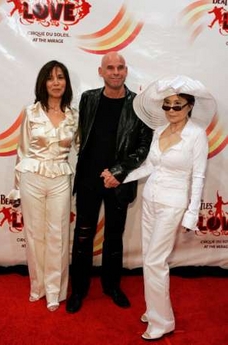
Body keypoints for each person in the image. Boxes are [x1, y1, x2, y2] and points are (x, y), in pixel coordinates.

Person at [123, 75, 217, 340]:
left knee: (155, 260)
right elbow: (150, 166)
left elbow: (198, 176)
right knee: (149, 259)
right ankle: (154, 308)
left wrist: (191, 214)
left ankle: (162, 321)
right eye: (167, 105)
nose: (171, 111)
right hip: (151, 198)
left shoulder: (196, 135)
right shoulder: (159, 131)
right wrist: (120, 177)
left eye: (177, 105)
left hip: (173, 204)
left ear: (189, 106)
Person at [66, 51, 153, 313]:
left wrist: (118, 172)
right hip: (88, 180)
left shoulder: (139, 105)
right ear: (100, 71)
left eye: (120, 67)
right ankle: (78, 289)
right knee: (82, 237)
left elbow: (143, 147)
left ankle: (112, 286)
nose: (116, 72)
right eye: (110, 67)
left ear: (126, 71)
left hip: (119, 182)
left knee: (114, 238)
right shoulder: (88, 98)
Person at [8, 60, 78, 311]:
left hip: (60, 176)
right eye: (51, 78)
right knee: (35, 234)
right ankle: (37, 287)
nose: (56, 82)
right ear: (43, 83)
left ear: (66, 83)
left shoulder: (74, 115)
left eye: (61, 77)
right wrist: (16, 186)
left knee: (58, 235)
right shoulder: (31, 112)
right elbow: (22, 151)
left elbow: (82, 148)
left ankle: (54, 291)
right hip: (32, 177)